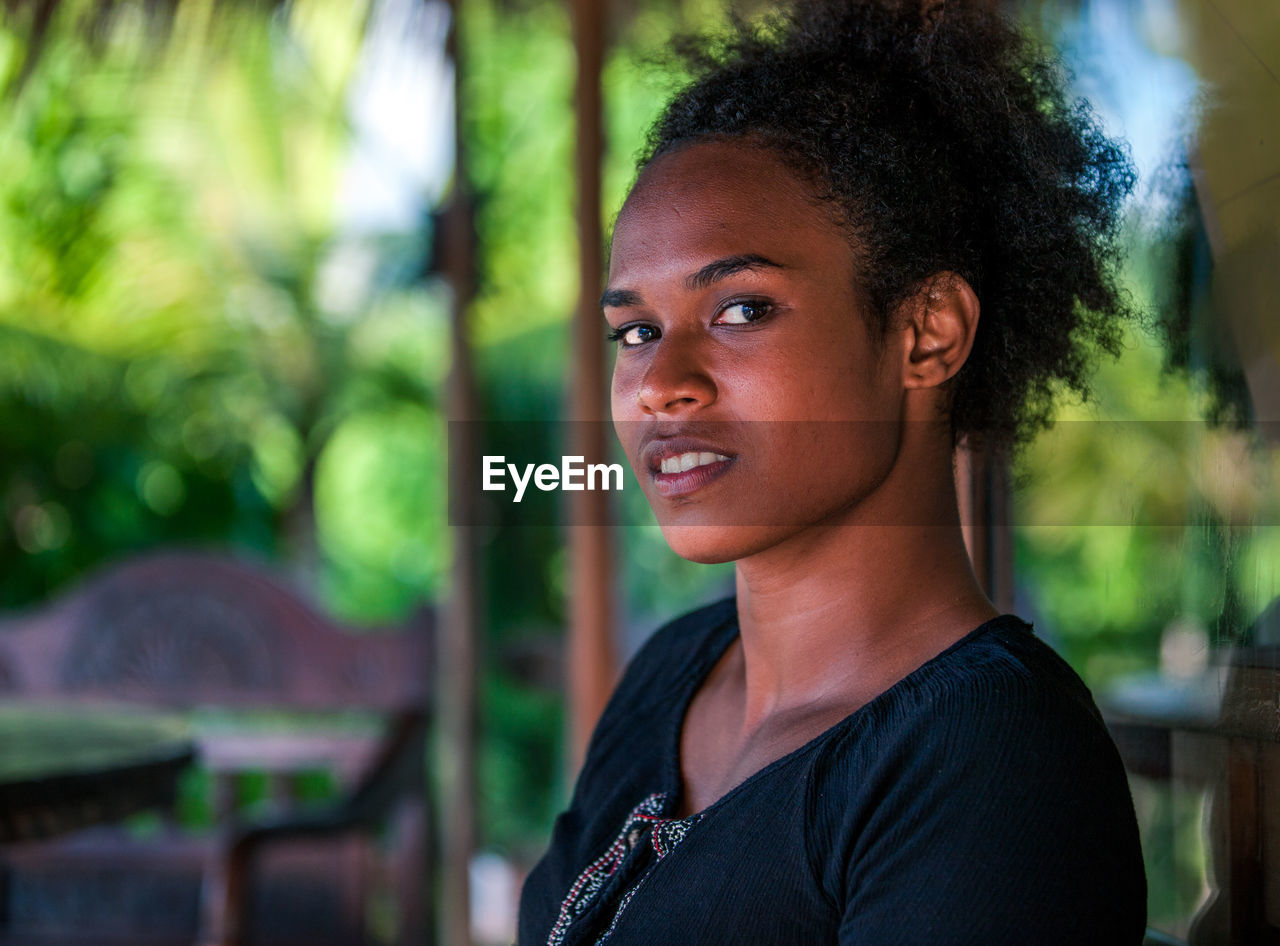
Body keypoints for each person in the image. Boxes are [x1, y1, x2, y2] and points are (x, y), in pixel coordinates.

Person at [517, 0, 1147, 942]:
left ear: (926, 333)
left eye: (740, 310)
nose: (660, 385)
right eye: (636, 331)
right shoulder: (670, 677)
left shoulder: (989, 761)